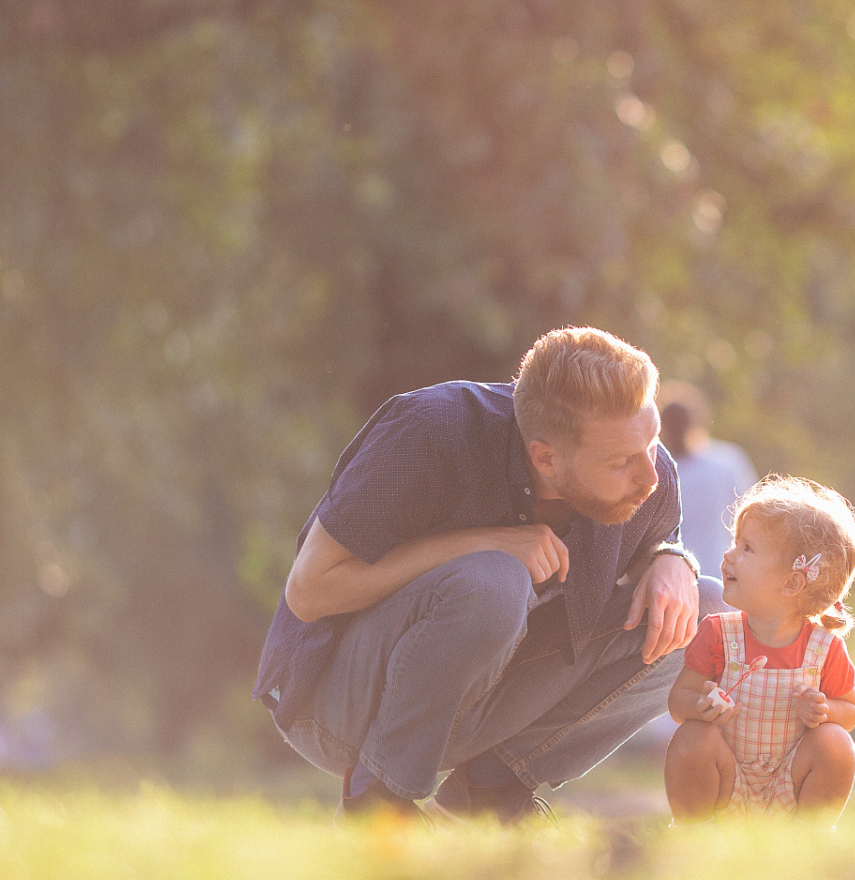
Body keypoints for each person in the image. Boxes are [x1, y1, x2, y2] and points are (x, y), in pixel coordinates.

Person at [252, 327, 725, 823]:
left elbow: (659, 545)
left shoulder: (651, 473)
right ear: (545, 457)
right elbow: (308, 592)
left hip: (480, 702)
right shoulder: (429, 433)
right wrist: (479, 542)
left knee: (703, 611)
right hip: (337, 705)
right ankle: (379, 796)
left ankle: (489, 790)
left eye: (651, 443)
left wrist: (672, 558)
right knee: (494, 581)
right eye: (622, 461)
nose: (650, 475)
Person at [664, 476, 855, 820]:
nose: (728, 555)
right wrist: (701, 706)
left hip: (791, 782)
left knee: (835, 744)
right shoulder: (716, 633)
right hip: (726, 780)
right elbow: (678, 703)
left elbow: (850, 711)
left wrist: (823, 712)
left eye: (747, 549)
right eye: (734, 543)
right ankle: (695, 829)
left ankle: (807, 836)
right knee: (693, 737)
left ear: (792, 582)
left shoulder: (824, 649)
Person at [658, 382, 757, 578]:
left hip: (722, 577)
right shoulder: (656, 472)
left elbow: (754, 521)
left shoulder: (727, 462)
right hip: (676, 580)